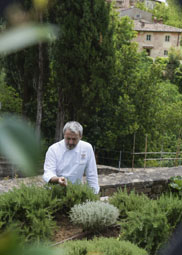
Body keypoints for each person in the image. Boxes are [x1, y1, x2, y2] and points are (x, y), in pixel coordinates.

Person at [43, 121, 100, 194]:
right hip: (54, 191)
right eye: (68, 138)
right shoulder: (53, 149)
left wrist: (94, 194)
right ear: (64, 135)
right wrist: (58, 179)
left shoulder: (87, 148)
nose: (70, 142)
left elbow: (92, 175)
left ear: (80, 137)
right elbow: (48, 172)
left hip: (76, 192)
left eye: (74, 139)